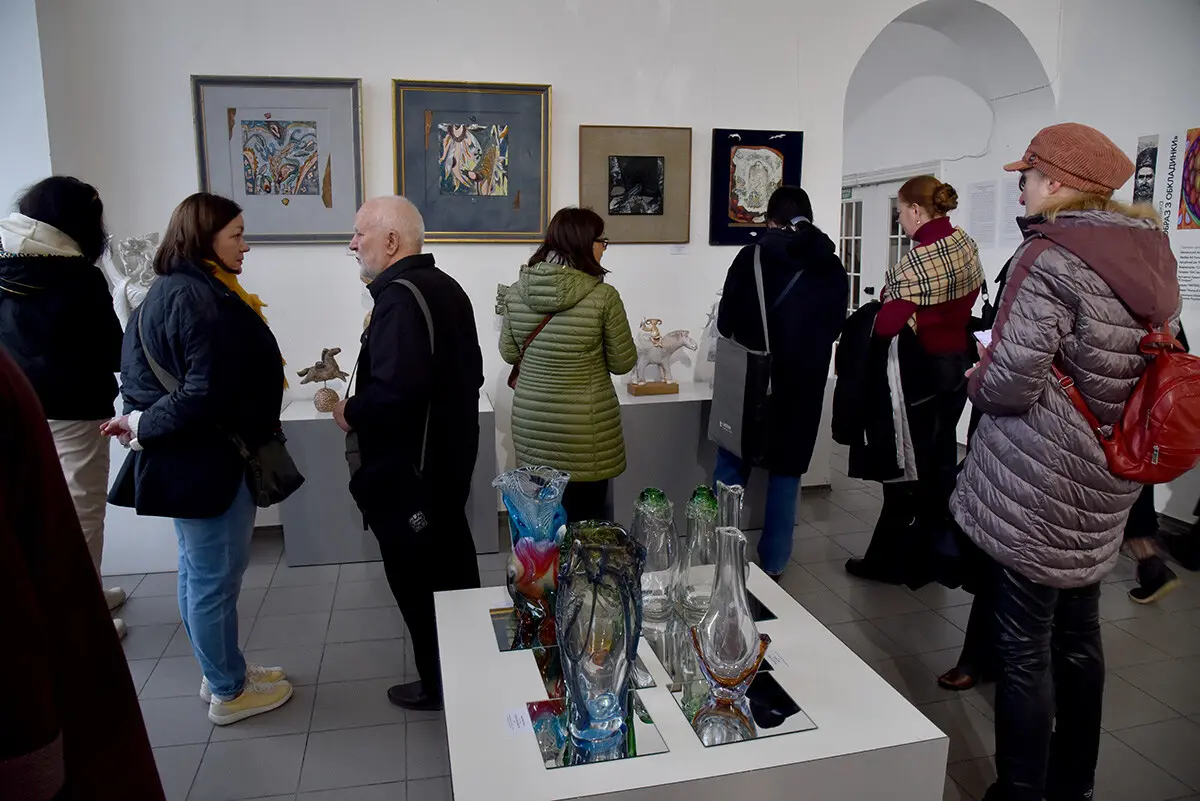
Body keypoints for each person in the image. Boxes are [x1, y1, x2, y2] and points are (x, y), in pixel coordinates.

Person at [951, 123, 1180, 801]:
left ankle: (1021, 790)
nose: (1021, 188)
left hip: (1039, 477)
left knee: (1024, 647)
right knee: (1080, 635)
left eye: (1026, 176)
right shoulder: (1151, 253)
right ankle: (1074, 785)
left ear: (1054, 182)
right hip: (1105, 476)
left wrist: (977, 378)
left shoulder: (1049, 257)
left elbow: (1010, 384)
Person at [103, 193, 292, 726]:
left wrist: (140, 422)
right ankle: (229, 691)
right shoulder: (196, 297)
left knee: (198, 573)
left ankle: (221, 670)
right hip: (208, 463)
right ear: (204, 237)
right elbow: (203, 392)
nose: (245, 245)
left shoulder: (173, 289)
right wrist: (142, 424)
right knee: (213, 580)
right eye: (236, 234)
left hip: (192, 461)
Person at [336, 195, 484, 712]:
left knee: (419, 585)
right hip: (446, 466)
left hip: (409, 476)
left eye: (360, 234)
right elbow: (469, 375)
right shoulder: (446, 287)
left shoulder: (399, 299)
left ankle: (441, 686)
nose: (353, 244)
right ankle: (469, 674)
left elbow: (394, 395)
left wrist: (350, 411)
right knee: (453, 576)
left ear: (392, 241)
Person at [0, 345, 165, 799]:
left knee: (69, 512)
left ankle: (88, 598)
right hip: (70, 400)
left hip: (53, 397)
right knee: (75, 514)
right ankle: (86, 604)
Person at [0, 177, 128, 638]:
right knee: (80, 510)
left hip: (16, 404)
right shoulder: (78, 276)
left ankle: (75, 599)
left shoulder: (5, 263)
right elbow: (113, 351)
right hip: (74, 408)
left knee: (33, 508)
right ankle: (82, 621)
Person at [845, 177, 983, 586]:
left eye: (901, 211)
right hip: (958, 367)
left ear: (917, 211)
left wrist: (878, 310)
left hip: (920, 373)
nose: (900, 219)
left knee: (906, 467)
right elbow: (970, 297)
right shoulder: (965, 245)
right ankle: (932, 554)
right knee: (940, 462)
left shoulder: (918, 262)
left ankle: (891, 561)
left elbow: (888, 324)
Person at [712, 187, 848, 576]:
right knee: (787, 473)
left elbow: (725, 323)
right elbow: (835, 326)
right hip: (804, 386)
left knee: (732, 468)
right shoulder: (831, 265)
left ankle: (720, 554)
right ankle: (774, 564)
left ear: (769, 219)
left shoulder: (752, 258)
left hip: (753, 382)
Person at [499, 207, 636, 522]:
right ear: (585, 243)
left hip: (532, 424)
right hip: (585, 432)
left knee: (542, 525)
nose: (604, 248)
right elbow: (622, 362)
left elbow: (509, 353)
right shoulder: (604, 297)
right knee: (585, 524)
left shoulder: (517, 293)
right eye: (602, 240)